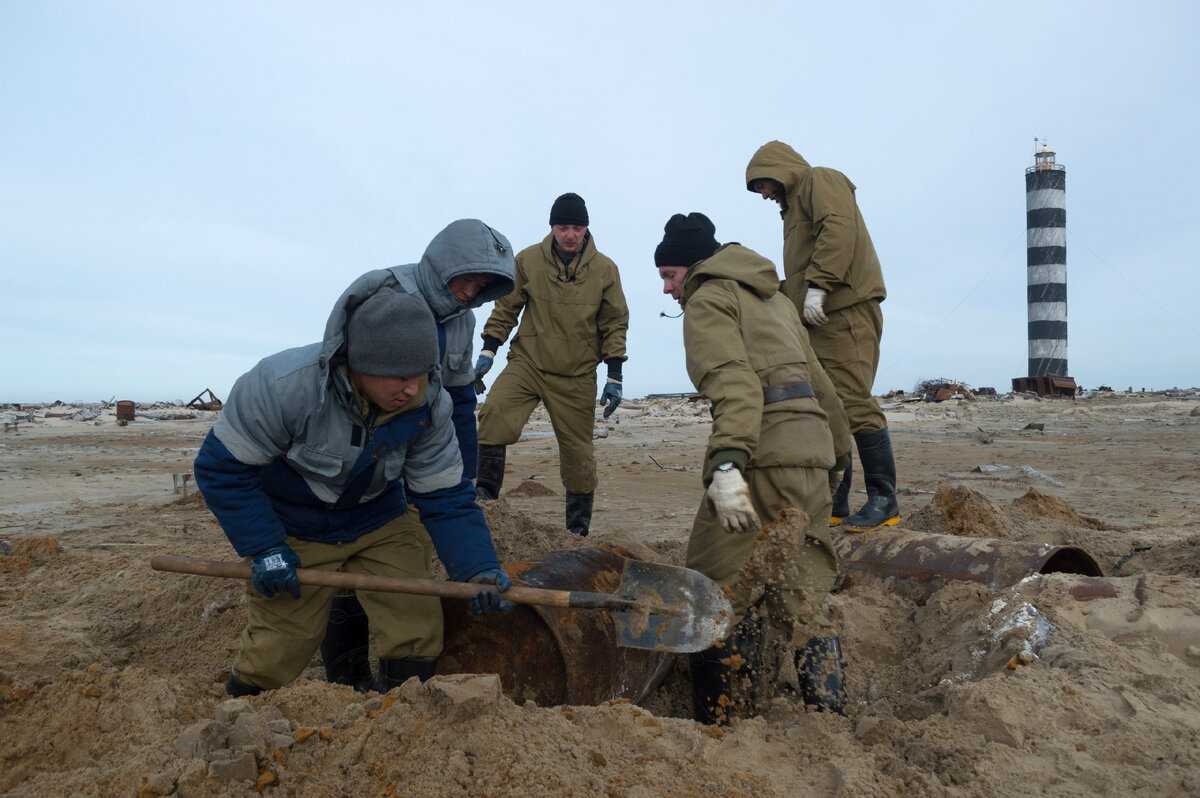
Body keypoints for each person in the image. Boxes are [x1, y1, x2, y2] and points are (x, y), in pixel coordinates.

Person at [193, 285, 513, 697]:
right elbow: (222, 469)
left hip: (378, 517)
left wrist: (478, 569)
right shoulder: (282, 386)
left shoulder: (430, 406)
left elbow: (445, 498)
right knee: (280, 643)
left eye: (419, 374)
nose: (411, 389)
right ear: (359, 364)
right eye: (398, 376)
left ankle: (403, 712)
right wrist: (265, 547)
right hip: (295, 524)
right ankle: (242, 711)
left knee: (415, 620)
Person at [654, 212, 847, 722]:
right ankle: (827, 715)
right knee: (806, 591)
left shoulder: (709, 299)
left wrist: (726, 464)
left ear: (692, 267)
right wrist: (840, 452)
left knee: (713, 580)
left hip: (763, 455)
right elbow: (821, 381)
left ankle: (722, 716)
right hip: (814, 452)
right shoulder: (777, 300)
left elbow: (735, 383)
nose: (669, 290)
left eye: (670, 276)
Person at [316, 219, 517, 691]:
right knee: (344, 564)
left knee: (402, 557)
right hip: (353, 451)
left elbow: (461, 398)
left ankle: (399, 684)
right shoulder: (380, 294)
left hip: (419, 450)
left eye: (483, 287)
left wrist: (462, 474)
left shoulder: (463, 323)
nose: (471, 293)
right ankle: (345, 679)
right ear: (443, 264)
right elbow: (335, 384)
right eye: (467, 279)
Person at [745, 141, 901, 530]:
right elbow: (802, 270)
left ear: (779, 169)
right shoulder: (793, 208)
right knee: (828, 405)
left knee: (851, 400)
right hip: (818, 317)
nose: (763, 194)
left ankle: (885, 501)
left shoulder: (820, 179)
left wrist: (819, 285)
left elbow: (838, 230)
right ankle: (836, 502)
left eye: (763, 184)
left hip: (846, 311)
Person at [473, 192, 629, 536]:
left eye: (576, 227)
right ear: (552, 228)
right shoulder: (528, 260)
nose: (569, 234)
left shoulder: (605, 270)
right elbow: (505, 308)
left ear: (586, 229)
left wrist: (614, 374)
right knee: (494, 412)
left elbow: (614, 323)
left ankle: (576, 531)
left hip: (576, 374)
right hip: (528, 364)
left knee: (579, 456)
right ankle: (483, 502)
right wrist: (488, 352)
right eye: (562, 227)